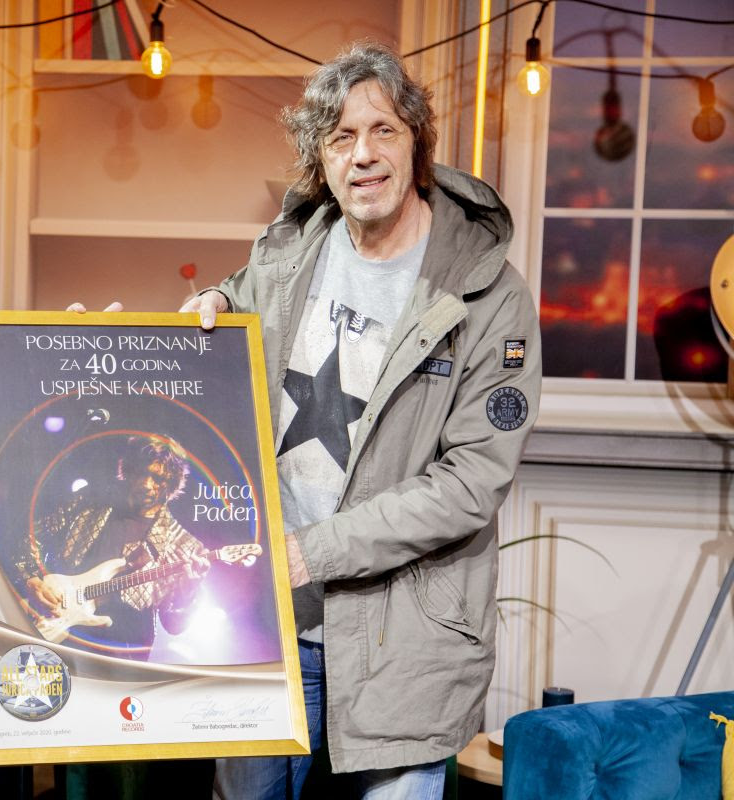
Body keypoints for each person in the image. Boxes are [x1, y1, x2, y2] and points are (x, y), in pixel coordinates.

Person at [181, 42, 542, 799]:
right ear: (321, 158)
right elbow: (235, 302)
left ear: (418, 145)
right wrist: (211, 302)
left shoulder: (488, 295)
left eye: (383, 131)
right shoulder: (287, 254)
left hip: (400, 644)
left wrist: (311, 554)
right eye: (341, 137)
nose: (363, 155)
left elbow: (469, 484)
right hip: (267, 630)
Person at [17, 435, 210, 658]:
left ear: (172, 484)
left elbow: (174, 625)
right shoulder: (89, 502)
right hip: (55, 632)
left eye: (158, 478)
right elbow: (30, 536)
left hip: (120, 655)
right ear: (129, 471)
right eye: (141, 472)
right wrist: (32, 580)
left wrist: (188, 593)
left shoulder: (183, 545)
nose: (146, 484)